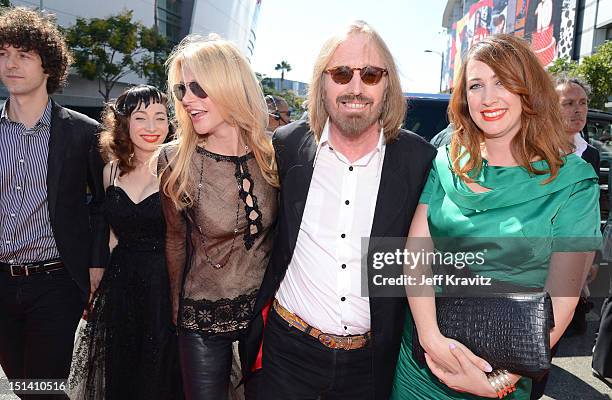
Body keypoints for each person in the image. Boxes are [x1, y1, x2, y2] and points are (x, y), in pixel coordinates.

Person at [391, 34, 601, 400]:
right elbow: (416, 254)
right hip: (419, 364)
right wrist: (431, 340)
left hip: (505, 371)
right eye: (476, 85)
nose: (488, 98)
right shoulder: (447, 162)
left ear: (528, 90)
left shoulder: (574, 182)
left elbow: (562, 299)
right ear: (464, 97)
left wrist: (497, 383)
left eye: (502, 82)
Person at [242, 20, 436, 400]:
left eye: (372, 74)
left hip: (371, 365)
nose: (356, 87)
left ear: (388, 85)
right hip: (286, 355)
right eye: (342, 72)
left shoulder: (418, 159)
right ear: (323, 83)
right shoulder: (287, 146)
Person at [159, 34, 278, 400]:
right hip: (203, 317)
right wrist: (177, 308)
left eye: (198, 87)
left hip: (266, 317)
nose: (187, 99)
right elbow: (175, 238)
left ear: (230, 85)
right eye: (181, 89)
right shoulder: (174, 161)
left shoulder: (275, 153)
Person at [0, 7, 108, 398]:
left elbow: (103, 202)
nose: (10, 63)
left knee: (41, 388)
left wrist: (96, 260)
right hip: (1, 280)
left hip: (56, 282)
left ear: (48, 67)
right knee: (21, 383)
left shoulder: (83, 133)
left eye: (23, 55)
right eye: (3, 53)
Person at [68, 85, 182, 399]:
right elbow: (107, 227)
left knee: (160, 373)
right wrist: (97, 268)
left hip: (165, 283)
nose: (151, 127)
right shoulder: (110, 171)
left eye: (160, 117)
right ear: (124, 124)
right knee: (121, 368)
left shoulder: (181, 169)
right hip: (120, 285)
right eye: (140, 117)